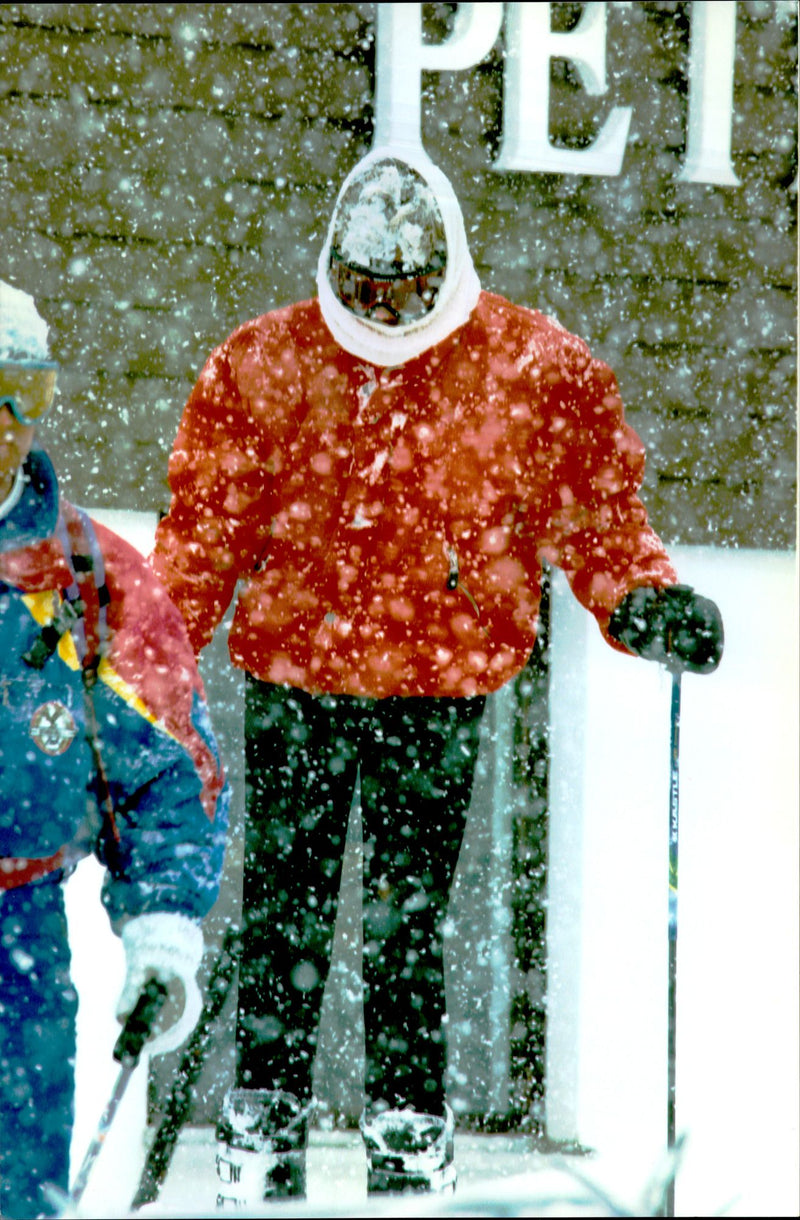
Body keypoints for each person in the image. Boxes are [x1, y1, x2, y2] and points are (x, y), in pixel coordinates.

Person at [150, 147, 723, 1203]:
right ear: (334, 265)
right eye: (365, 290)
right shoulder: (261, 363)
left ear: (443, 265)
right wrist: (154, 657)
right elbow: (201, 536)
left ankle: (408, 1120)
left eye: (404, 290)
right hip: (296, 681)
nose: (384, 309)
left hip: (439, 685)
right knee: (282, 907)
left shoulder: (528, 369)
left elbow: (595, 513)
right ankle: (261, 1113)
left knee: (411, 919)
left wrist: (638, 597)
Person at [0, 280, 230, 1220]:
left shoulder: (85, 577)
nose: (8, 425)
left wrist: (163, 924)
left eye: (26, 393)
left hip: (17, 945)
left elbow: (169, 768)